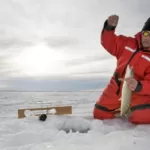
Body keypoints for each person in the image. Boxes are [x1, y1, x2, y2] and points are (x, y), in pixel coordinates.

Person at [93, 15, 150, 124]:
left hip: (138, 92)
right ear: (142, 32)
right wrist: (109, 28)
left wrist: (139, 86)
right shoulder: (127, 42)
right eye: (146, 33)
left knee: (139, 117)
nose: (147, 38)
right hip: (116, 86)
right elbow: (109, 43)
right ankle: (119, 107)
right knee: (100, 114)